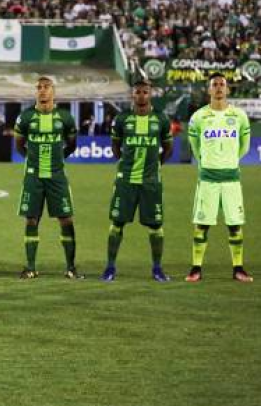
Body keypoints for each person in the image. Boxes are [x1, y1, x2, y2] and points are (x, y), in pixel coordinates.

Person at [100, 79, 173, 282]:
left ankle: (157, 268)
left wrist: (156, 165)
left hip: (151, 182)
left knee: (156, 226)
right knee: (117, 224)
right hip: (126, 181)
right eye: (138, 92)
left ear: (151, 94)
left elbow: (168, 148)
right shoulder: (122, 119)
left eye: (145, 92)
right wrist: (124, 165)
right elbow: (116, 146)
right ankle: (110, 267)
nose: (141, 95)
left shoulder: (161, 119)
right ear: (133, 95)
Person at [186, 73, 253, 283]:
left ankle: (238, 268)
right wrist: (207, 161)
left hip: (231, 178)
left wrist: (230, 160)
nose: (218, 88)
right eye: (214, 85)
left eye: (222, 85)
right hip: (208, 178)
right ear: (208, 90)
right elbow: (194, 147)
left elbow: (245, 146)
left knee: (235, 225)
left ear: (228, 89)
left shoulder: (239, 116)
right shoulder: (198, 117)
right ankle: (196, 268)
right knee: (202, 225)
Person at [14, 76, 82, 279]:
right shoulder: (25, 117)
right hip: (34, 177)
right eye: (39, 88)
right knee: (31, 219)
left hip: (56, 176)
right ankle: (30, 267)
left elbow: (72, 144)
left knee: (66, 219)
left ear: (54, 91)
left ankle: (71, 267)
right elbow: (19, 144)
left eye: (46, 87)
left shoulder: (65, 117)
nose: (42, 91)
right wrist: (31, 160)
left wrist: (59, 159)